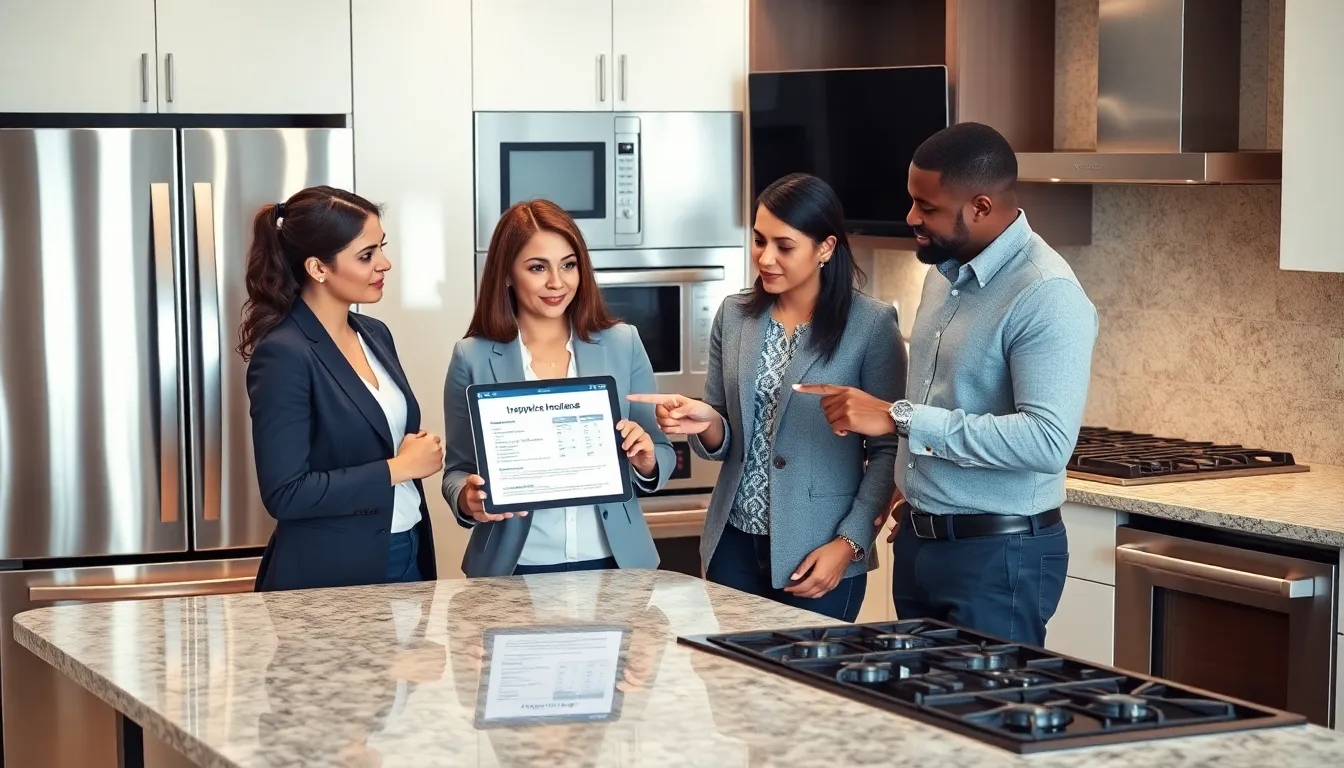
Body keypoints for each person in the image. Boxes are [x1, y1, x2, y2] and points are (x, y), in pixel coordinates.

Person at [795, 123, 1099, 645]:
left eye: (927, 207)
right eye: (912, 201)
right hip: (920, 540)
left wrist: (898, 417)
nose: (911, 217)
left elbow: (1048, 442)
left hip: (998, 557)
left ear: (980, 207)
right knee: (920, 716)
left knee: (986, 719)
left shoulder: (1047, 295)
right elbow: (948, 397)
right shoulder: (945, 269)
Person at [630, 173, 905, 622]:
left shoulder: (871, 327)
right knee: (733, 689)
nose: (766, 257)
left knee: (808, 691)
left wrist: (850, 543)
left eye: (784, 245)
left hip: (820, 550)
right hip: (733, 546)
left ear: (826, 248)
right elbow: (723, 433)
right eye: (759, 241)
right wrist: (707, 422)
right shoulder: (735, 315)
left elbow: (888, 447)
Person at [442, 199, 674, 576]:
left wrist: (647, 460)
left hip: (615, 563)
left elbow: (659, 450)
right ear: (507, 274)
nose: (557, 282)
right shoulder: (472, 356)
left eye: (568, 265)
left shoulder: (623, 343)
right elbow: (457, 471)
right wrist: (468, 500)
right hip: (515, 567)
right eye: (537, 268)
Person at [239, 185, 442, 592]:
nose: (385, 264)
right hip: (331, 575)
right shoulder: (284, 354)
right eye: (367, 256)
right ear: (318, 268)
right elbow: (286, 493)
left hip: (408, 551)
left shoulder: (374, 334)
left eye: (381, 248)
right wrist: (399, 468)